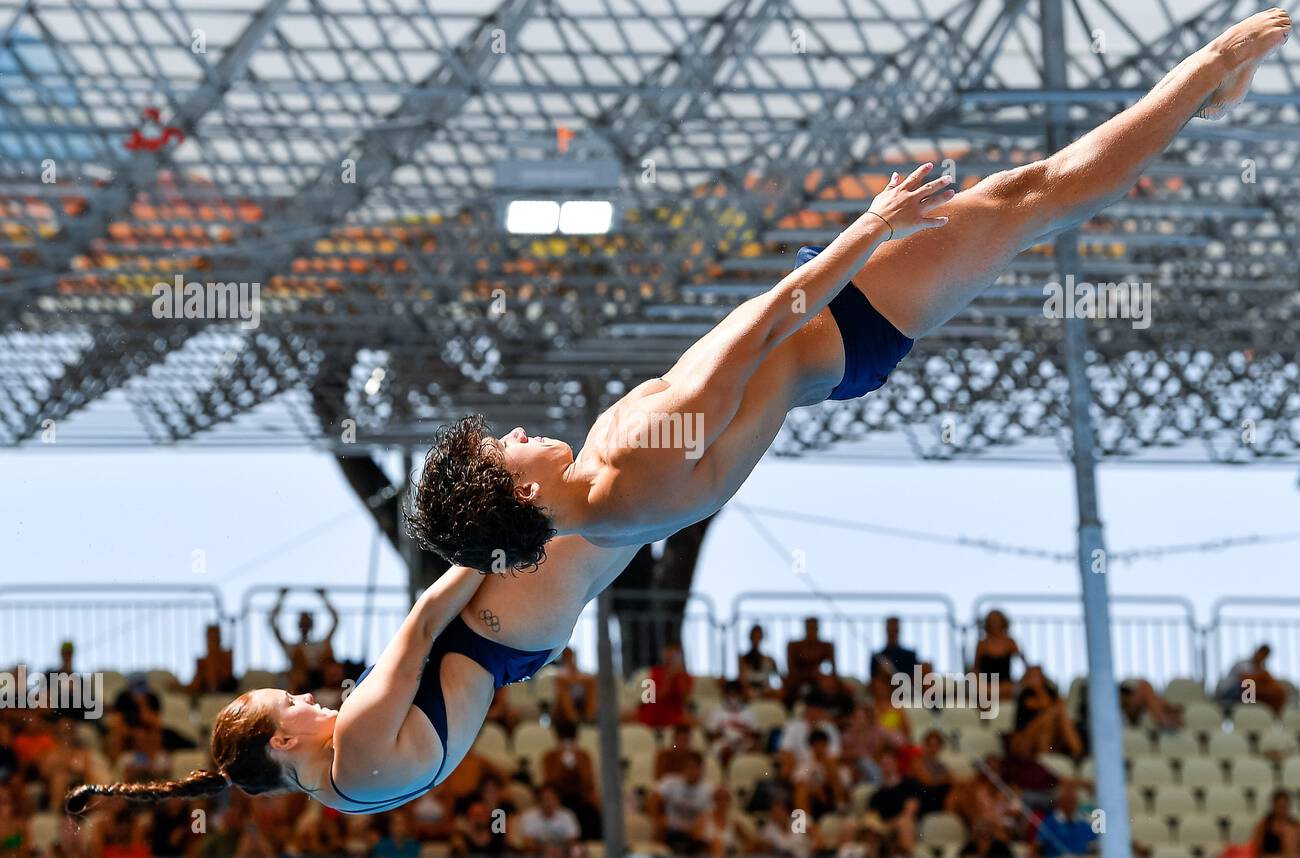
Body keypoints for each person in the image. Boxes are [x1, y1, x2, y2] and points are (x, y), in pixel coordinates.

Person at [405, 8, 1292, 571]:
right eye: (502, 447)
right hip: (848, 318)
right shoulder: (633, 450)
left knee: (1036, 201)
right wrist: (873, 225)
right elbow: (763, 325)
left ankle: (1205, 92)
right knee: (1038, 194)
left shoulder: (593, 525)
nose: (516, 430)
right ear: (519, 493)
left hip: (838, 345)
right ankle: (1213, 68)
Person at [66, 532, 643, 817]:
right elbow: (422, 626)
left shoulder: (341, 791)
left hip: (515, 639)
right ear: (283, 739)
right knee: (632, 468)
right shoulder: (355, 747)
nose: (304, 694)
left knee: (650, 501)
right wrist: (487, 535)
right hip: (500, 625)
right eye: (289, 700)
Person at [269, 587, 339, 693]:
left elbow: (335, 621)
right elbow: (272, 624)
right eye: (303, 622)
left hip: (320, 684)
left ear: (311, 625)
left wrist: (324, 598)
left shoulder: (320, 645)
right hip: (299, 686)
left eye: (307, 622)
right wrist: (281, 598)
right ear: (298, 625)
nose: (305, 625)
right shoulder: (292, 647)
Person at [1216, 644, 1291, 716]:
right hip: (1229, 692)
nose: (1262, 658)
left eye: (1264, 657)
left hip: (1244, 693)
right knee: (1250, 686)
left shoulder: (1262, 668)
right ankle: (1251, 711)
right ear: (1257, 652)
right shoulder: (1243, 664)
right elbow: (1245, 680)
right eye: (1261, 654)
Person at [784, 617, 837, 705]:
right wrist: (808, 673)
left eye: (814, 628)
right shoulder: (794, 646)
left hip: (817, 681)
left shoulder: (826, 646)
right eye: (809, 628)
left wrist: (823, 677)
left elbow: (833, 669)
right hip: (798, 681)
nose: (811, 631)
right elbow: (791, 668)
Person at [972, 610, 1021, 695]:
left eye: (997, 620)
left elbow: (1023, 661)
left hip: (1005, 685)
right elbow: (976, 668)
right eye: (992, 621)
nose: (994, 624)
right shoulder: (982, 644)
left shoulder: (1009, 642)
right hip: (986, 685)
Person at [181, 625, 238, 697]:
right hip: (205, 697)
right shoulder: (202, 662)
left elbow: (228, 681)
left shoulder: (226, 658)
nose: (212, 641)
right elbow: (195, 684)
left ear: (219, 639)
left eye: (215, 637)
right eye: (210, 638)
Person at [1251, 790, 1300, 858]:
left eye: (1285, 806)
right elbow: (1257, 850)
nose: (1282, 809)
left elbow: (1295, 853)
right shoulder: (1264, 825)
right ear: (1274, 805)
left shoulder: (1295, 826)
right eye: (1280, 806)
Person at [552, 647, 598, 724]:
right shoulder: (556, 669)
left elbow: (589, 679)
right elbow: (562, 678)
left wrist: (574, 676)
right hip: (562, 705)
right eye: (567, 655)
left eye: (570, 655)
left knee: (592, 683)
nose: (569, 657)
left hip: (579, 700)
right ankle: (574, 719)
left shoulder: (576, 669)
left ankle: (589, 717)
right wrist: (573, 677)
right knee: (562, 687)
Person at [737, 625, 782, 700]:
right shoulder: (743, 659)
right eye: (754, 636)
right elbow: (743, 681)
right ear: (750, 637)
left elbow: (778, 676)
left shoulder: (768, 659)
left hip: (766, 691)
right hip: (750, 691)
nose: (756, 639)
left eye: (758, 636)